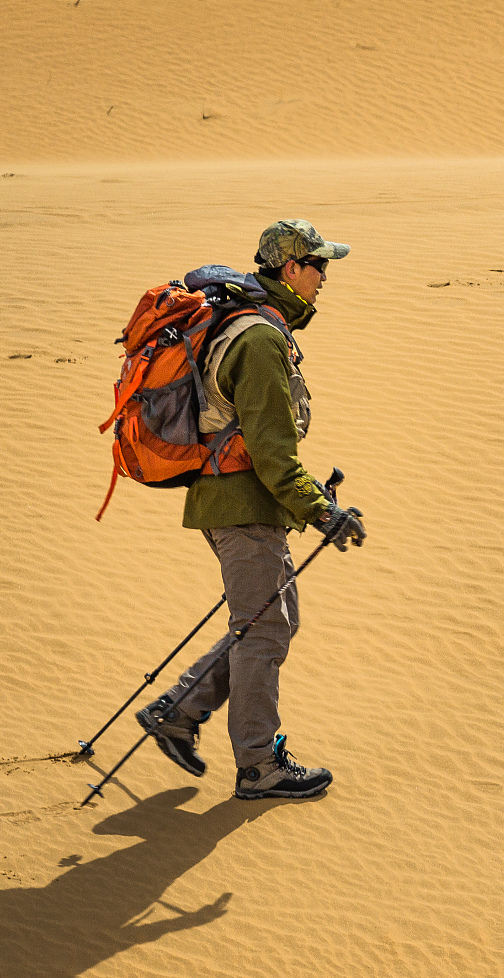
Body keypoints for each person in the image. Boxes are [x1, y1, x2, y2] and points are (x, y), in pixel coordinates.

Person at [135, 219, 366, 801]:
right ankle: (258, 766)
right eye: (319, 266)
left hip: (235, 498)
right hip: (241, 503)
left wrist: (309, 498)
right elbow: (270, 453)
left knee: (268, 623)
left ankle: (178, 712)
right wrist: (322, 511)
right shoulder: (260, 339)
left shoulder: (256, 327)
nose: (323, 278)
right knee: (265, 633)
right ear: (291, 268)